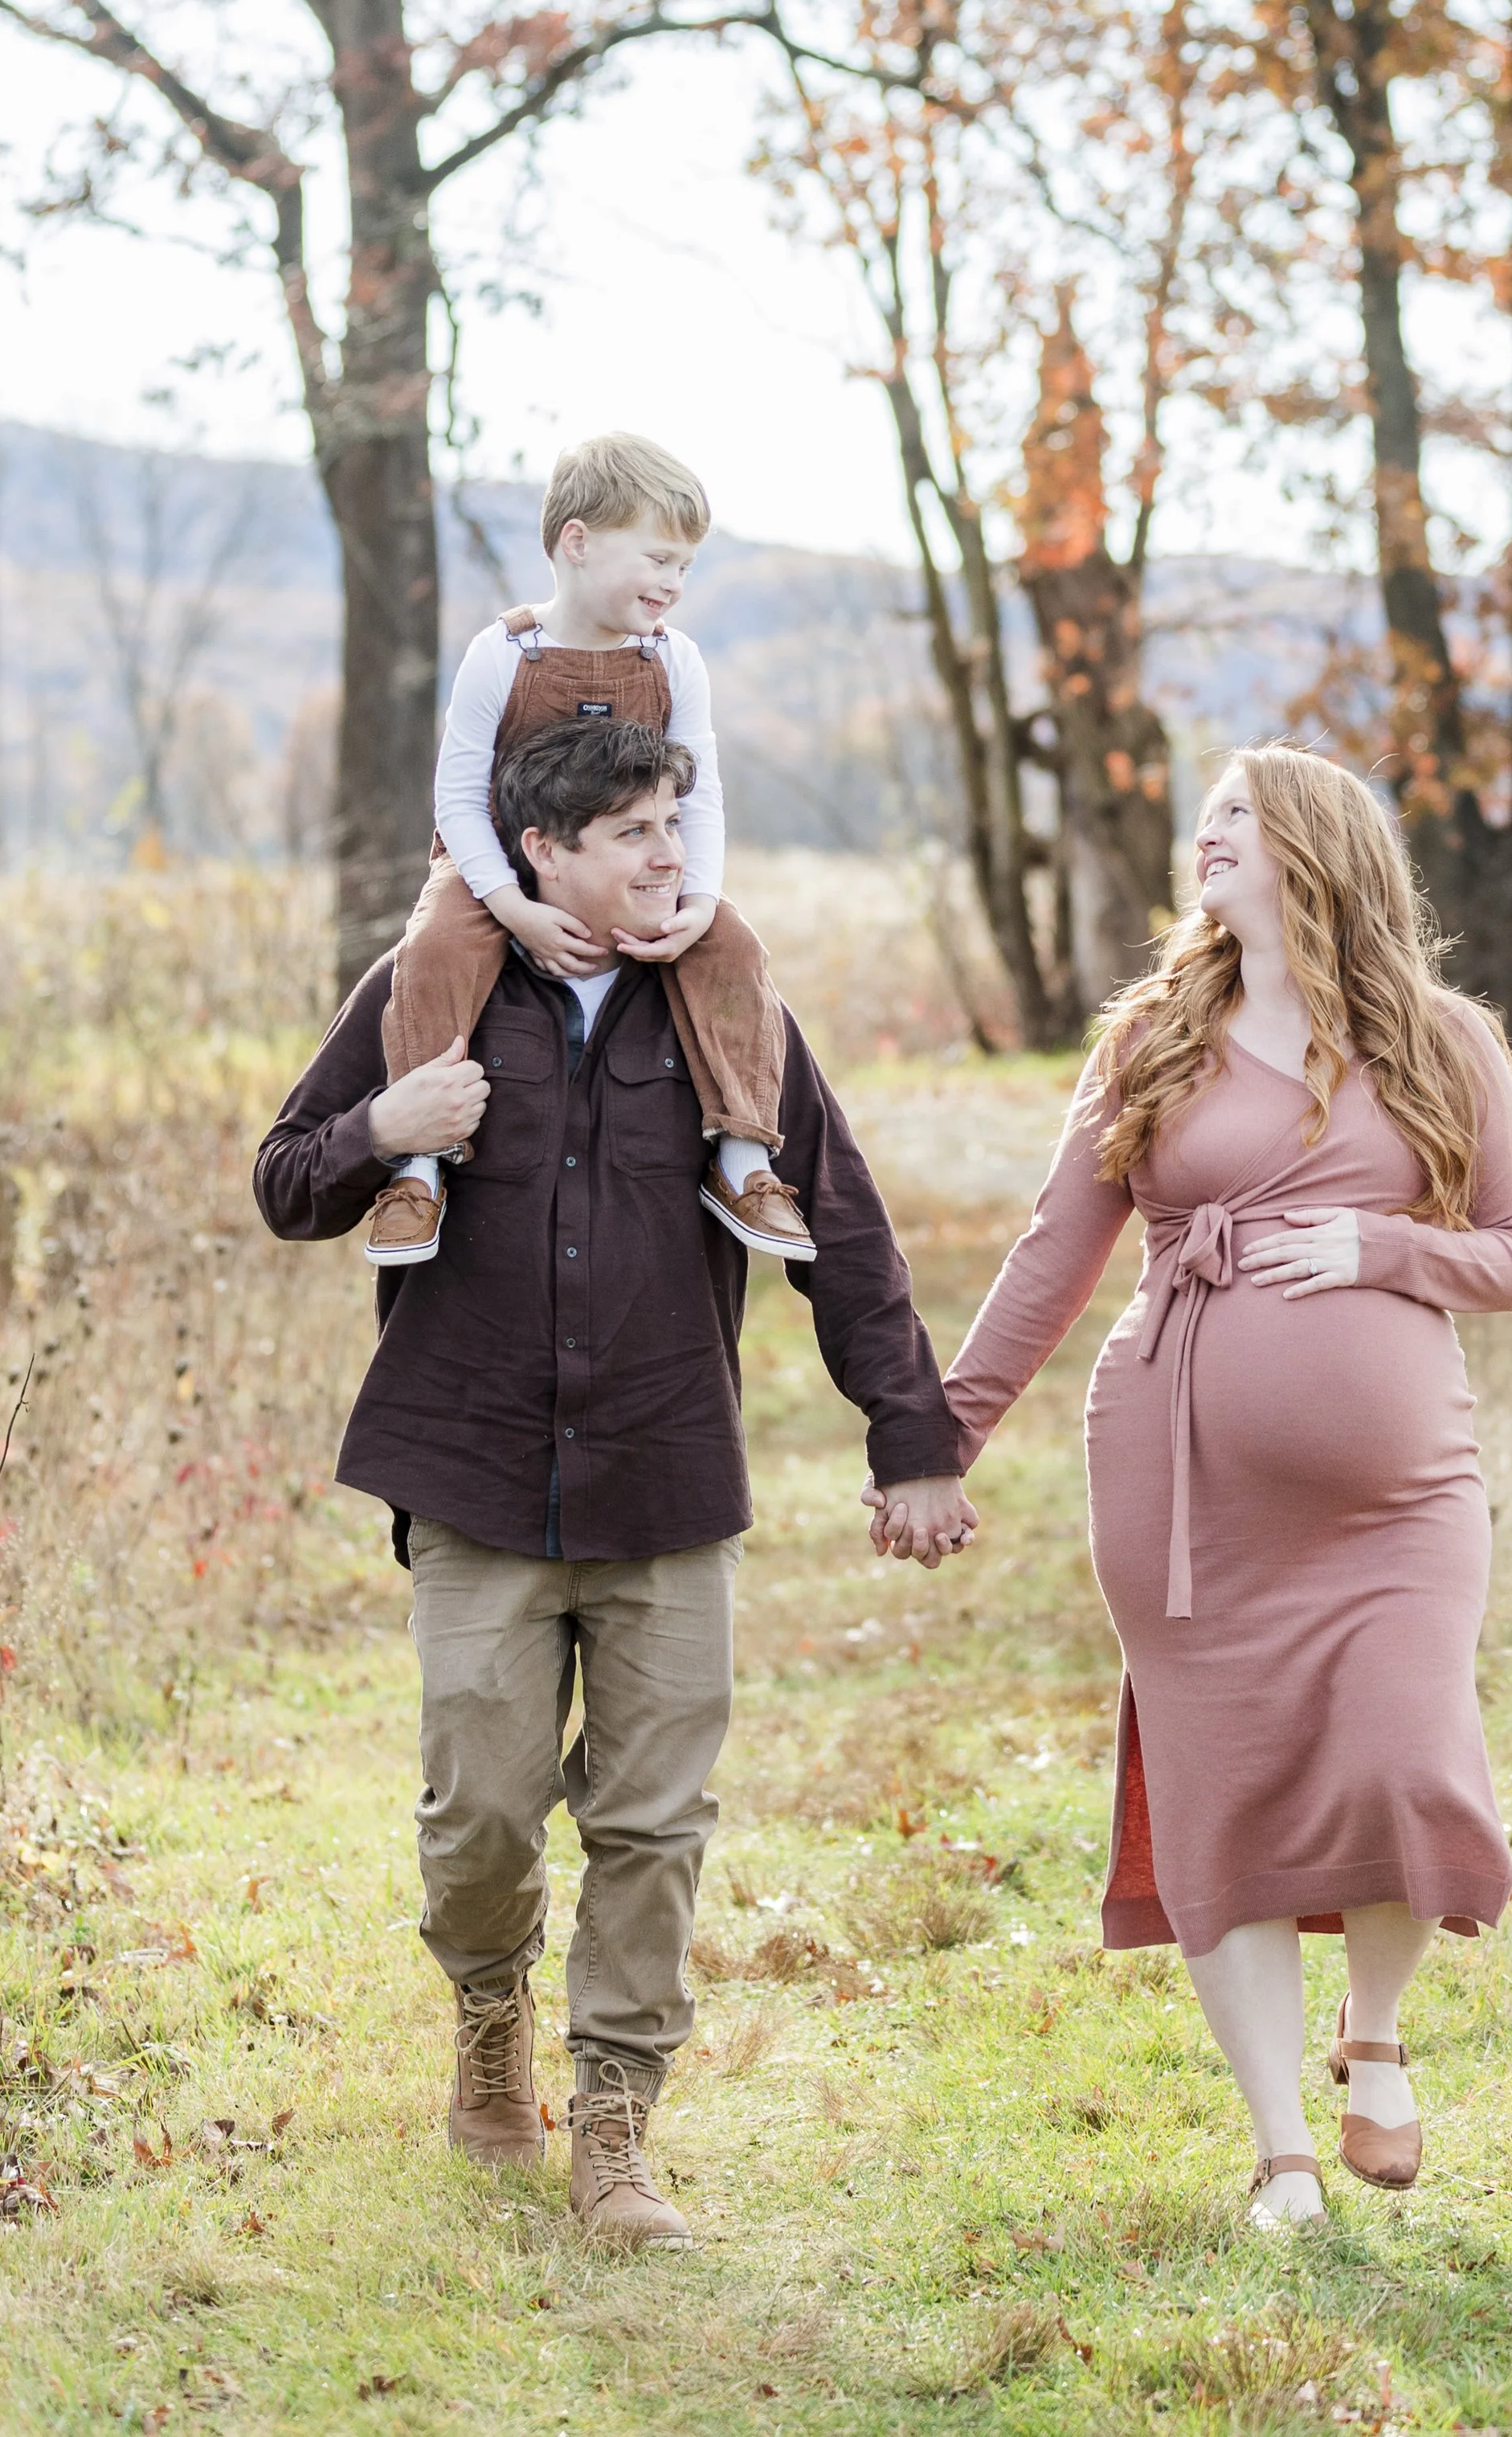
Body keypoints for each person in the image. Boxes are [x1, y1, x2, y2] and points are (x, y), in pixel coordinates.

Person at [253, 716, 977, 2245]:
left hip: (665, 1472)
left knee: (655, 1821)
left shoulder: (725, 1009)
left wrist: (911, 1442)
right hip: (472, 1473)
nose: (674, 857)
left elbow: (840, 1229)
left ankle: (617, 2122)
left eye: (678, 825)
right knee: (482, 1816)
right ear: (545, 852)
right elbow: (284, 1175)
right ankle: (491, 2008)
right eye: (639, 832)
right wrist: (387, 1126)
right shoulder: (424, 993)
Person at [927, 743, 1512, 2226]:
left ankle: (1376, 2034)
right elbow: (1053, 1254)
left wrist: (1382, 1249)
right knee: (1226, 1798)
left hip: (1398, 1500)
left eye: (1235, 821)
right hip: (1182, 1481)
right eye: (1200, 820)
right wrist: (939, 1437)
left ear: (1317, 851)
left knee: (1409, 1755)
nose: (1201, 840)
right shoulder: (1151, 1035)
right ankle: (1280, 2153)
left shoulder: (1445, 1042)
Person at [365, 430, 813, 1271]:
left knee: (733, 949)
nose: (674, 584)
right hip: (494, 865)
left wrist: (701, 902)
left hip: (631, 865)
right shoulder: (504, 654)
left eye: (685, 567)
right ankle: (416, 1171)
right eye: (658, 559)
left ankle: (744, 1157)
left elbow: (700, 790)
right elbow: (458, 797)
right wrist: (510, 906)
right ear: (577, 542)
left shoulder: (673, 660)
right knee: (432, 948)